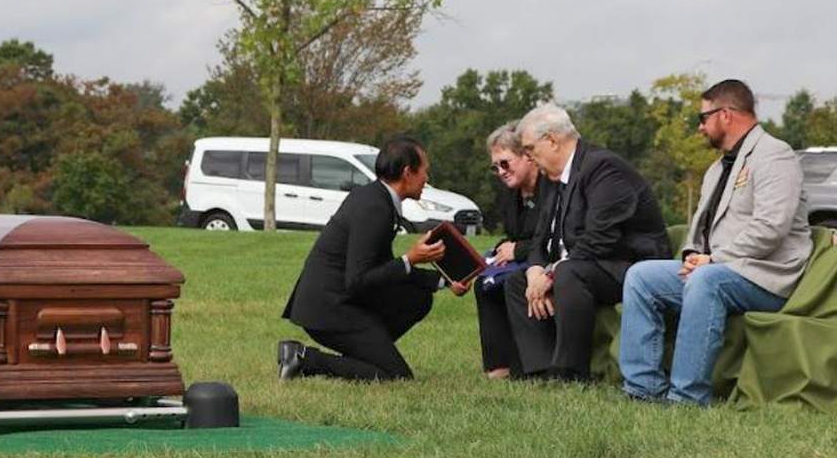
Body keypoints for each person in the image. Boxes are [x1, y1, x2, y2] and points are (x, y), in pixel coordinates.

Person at [619, 79, 813, 406]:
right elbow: (703, 229)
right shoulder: (717, 168)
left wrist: (714, 260)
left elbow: (771, 228)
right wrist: (694, 254)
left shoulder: (775, 155)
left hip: (766, 276)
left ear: (726, 114)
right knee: (641, 276)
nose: (699, 128)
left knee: (706, 280)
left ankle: (687, 398)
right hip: (721, 269)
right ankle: (643, 390)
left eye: (703, 117)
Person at [504, 103, 672, 381]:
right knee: (518, 281)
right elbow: (540, 238)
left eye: (531, 149)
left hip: (629, 268)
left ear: (552, 141)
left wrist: (551, 272)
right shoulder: (560, 177)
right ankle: (539, 370)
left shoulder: (603, 167)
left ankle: (569, 372)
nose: (530, 159)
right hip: (591, 265)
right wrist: (536, 269)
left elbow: (600, 239)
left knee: (569, 272)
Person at [278, 136, 469, 381]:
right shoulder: (375, 208)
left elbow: (384, 270)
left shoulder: (377, 198)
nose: (427, 179)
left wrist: (446, 280)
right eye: (425, 172)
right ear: (407, 173)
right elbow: (358, 280)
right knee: (395, 377)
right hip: (330, 308)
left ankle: (370, 352)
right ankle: (303, 358)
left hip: (340, 301)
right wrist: (410, 258)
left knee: (418, 298)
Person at [474, 122, 542, 379]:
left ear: (527, 157)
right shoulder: (511, 194)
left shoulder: (551, 188)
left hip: (545, 259)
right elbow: (516, 234)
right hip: (525, 255)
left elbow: (554, 236)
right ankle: (498, 365)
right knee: (485, 282)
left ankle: (525, 364)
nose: (501, 172)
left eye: (505, 163)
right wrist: (504, 247)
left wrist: (519, 249)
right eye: (496, 167)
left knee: (513, 281)